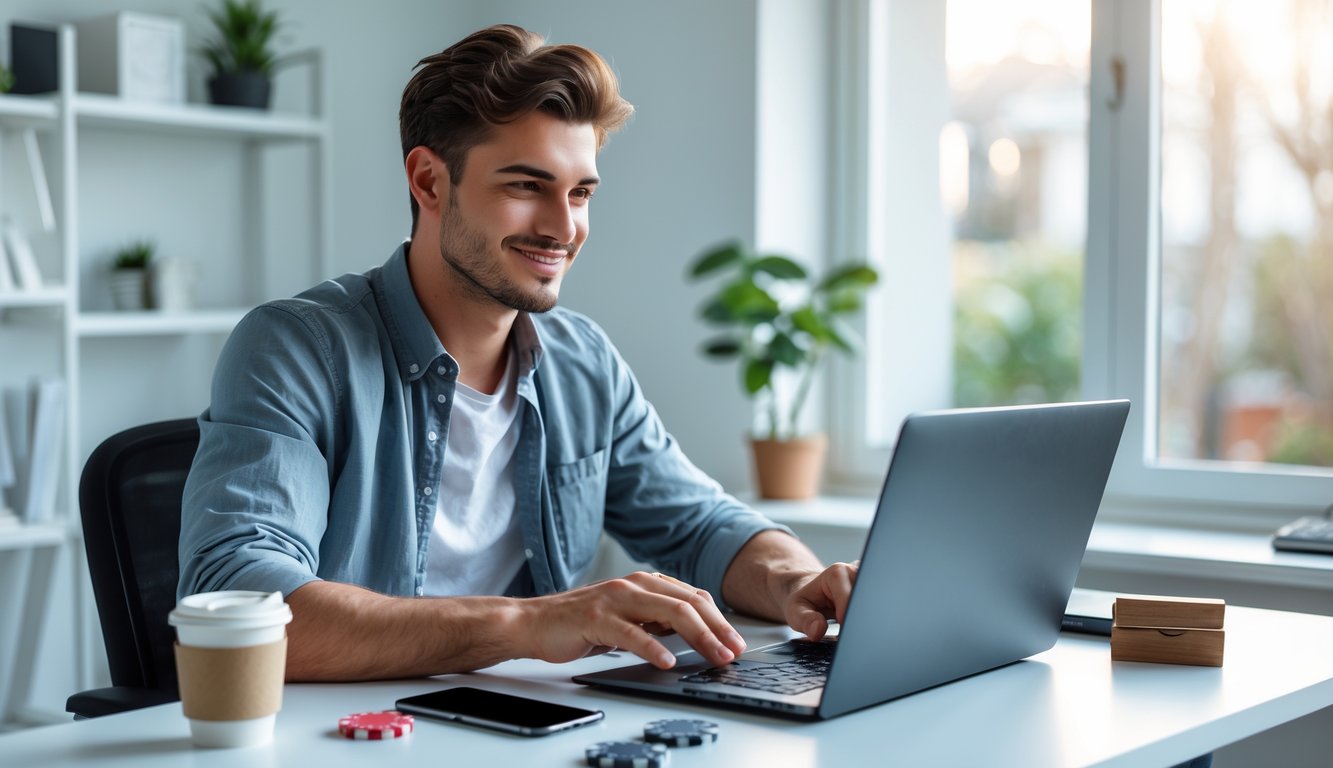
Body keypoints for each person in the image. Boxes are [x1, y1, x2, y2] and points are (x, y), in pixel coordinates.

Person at [178, 23, 856, 682]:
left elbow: (700, 525)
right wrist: (528, 624)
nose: (564, 228)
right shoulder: (298, 350)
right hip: (353, 732)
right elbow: (239, 598)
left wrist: (796, 581)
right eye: (526, 186)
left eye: (580, 193)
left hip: (533, 726)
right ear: (429, 181)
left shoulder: (582, 360)